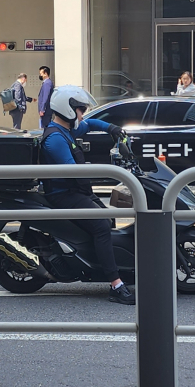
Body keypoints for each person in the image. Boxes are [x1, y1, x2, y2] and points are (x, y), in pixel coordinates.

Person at [40, 85, 135, 305]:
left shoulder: (66, 130)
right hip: (63, 195)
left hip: (75, 192)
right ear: (68, 109)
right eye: (81, 109)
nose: (83, 113)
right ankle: (116, 285)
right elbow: (74, 171)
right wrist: (104, 170)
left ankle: (100, 264)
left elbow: (90, 124)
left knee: (107, 220)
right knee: (101, 225)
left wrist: (111, 128)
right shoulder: (55, 139)